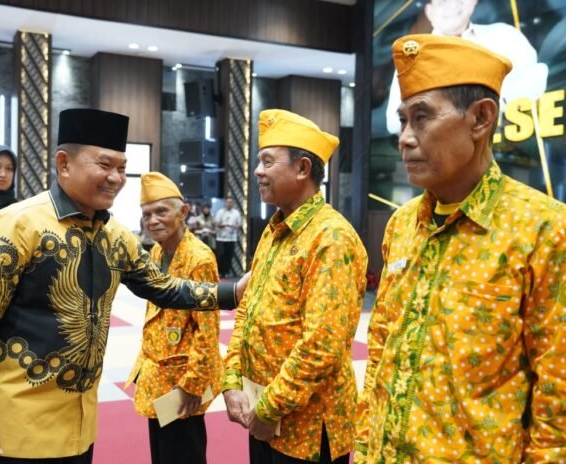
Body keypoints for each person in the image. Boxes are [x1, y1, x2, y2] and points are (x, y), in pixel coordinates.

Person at [0, 108, 241, 464]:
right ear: (64, 163)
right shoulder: (15, 225)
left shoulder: (116, 236)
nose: (116, 178)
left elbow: (164, 288)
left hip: (81, 425)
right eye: (104, 165)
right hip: (15, 429)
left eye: (122, 168)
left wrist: (233, 292)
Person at [355, 34, 566, 463]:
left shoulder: (543, 228)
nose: (405, 138)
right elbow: (380, 347)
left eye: (422, 117)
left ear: (481, 119)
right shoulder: (403, 224)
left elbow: (558, 390)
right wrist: (363, 444)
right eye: (402, 121)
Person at [222, 109, 368, 463]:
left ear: (302, 168)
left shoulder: (331, 237)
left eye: (268, 161)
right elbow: (247, 310)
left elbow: (322, 345)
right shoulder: (274, 231)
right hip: (262, 413)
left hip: (307, 427)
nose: (257, 171)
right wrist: (231, 381)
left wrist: (269, 407)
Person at [126, 172, 221, 464]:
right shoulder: (156, 252)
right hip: (158, 378)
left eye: (161, 212)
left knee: (184, 454)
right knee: (163, 454)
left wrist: (192, 385)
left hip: (184, 381)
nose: (153, 221)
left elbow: (208, 331)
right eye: (147, 215)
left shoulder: (199, 258)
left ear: (184, 212)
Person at [385, 0, 548, 134]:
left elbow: (537, 76)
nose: (452, 5)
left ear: (473, 2)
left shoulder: (505, 36)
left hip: (506, 145)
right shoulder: (412, 59)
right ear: (429, 12)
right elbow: (394, 122)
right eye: (442, 1)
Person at [214, 197, 241, 277]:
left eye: (231, 202)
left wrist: (234, 226)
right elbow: (217, 223)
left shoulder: (236, 213)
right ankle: (219, 272)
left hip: (231, 238)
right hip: (221, 238)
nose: (229, 204)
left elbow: (238, 224)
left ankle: (226, 272)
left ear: (233, 204)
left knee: (229, 256)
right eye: (228, 202)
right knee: (220, 255)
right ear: (225, 203)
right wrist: (225, 225)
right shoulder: (220, 212)